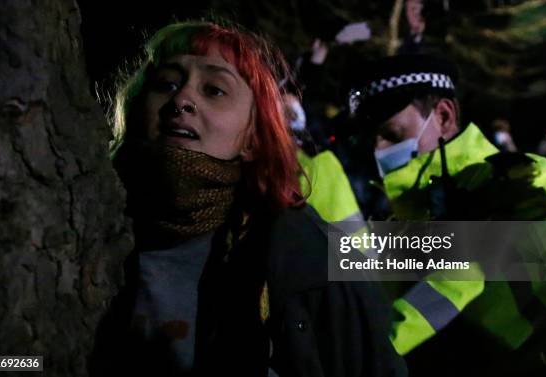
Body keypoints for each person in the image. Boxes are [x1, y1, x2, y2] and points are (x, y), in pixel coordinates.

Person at [89, 21, 406, 377]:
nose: (182, 99)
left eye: (214, 90)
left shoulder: (304, 243)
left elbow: (455, 264)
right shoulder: (79, 219)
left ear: (254, 137)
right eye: (166, 84)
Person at [350, 53, 546, 376]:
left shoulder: (526, 179)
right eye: (370, 140)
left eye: (392, 135)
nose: (378, 152)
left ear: (443, 116)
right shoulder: (397, 226)